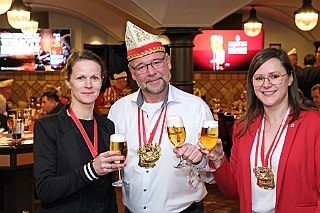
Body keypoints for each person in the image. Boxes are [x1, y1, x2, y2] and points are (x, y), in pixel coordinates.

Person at [107, 21, 214, 213]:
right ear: (132, 73)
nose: (151, 72)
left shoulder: (196, 107)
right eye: (141, 67)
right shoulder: (118, 110)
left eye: (156, 62)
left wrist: (200, 160)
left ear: (168, 62)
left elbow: (212, 176)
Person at [199, 48, 320, 213]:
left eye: (275, 76)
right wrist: (219, 159)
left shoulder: (313, 123)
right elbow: (233, 190)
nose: (266, 84)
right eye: (259, 78)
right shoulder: (243, 126)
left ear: (290, 78)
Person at [34, 49, 124, 213]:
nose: (88, 85)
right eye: (81, 78)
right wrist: (91, 170)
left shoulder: (107, 126)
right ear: (68, 81)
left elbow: (109, 191)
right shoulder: (47, 127)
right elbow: (45, 190)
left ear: (101, 81)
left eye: (94, 78)